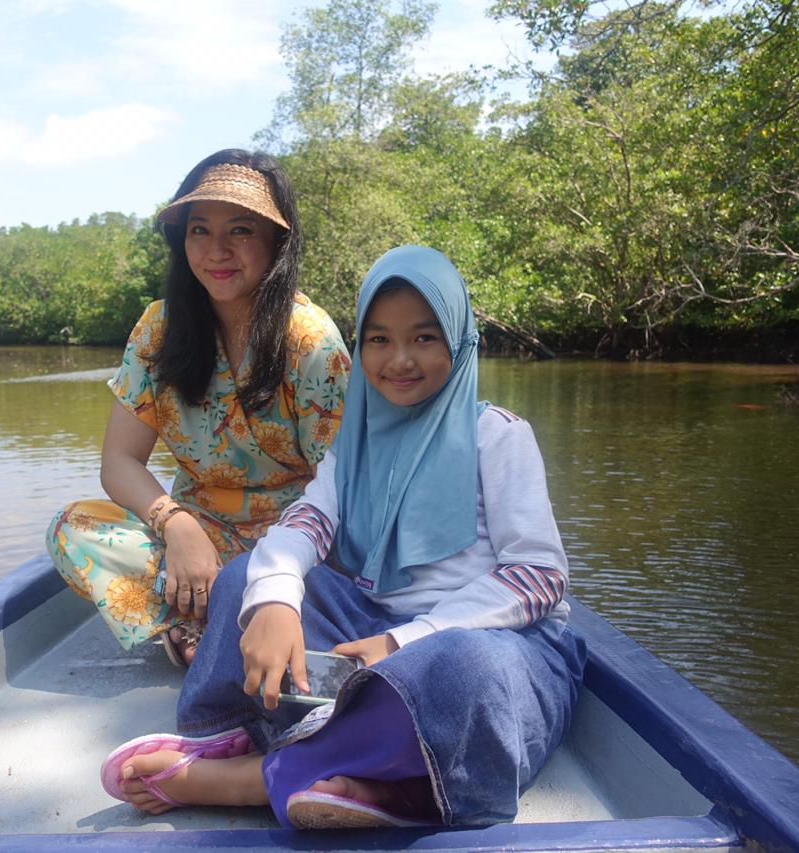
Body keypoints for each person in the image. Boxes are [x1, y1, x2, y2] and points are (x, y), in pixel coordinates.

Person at [99, 245, 586, 829]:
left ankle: (258, 779)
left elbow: (539, 578)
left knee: (460, 670)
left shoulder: (498, 436)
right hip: (374, 632)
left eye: (424, 338)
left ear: (458, 340)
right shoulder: (357, 444)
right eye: (378, 340)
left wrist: (407, 642)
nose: (399, 359)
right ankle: (243, 742)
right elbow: (306, 524)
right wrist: (277, 597)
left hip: (493, 645)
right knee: (245, 579)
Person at [47, 150, 350, 665]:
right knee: (70, 528)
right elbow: (119, 461)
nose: (217, 251)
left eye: (240, 231)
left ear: (278, 241)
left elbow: (339, 485)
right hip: (193, 534)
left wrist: (279, 565)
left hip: (293, 542)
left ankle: (216, 621)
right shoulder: (157, 330)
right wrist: (177, 526)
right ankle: (191, 621)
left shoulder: (310, 342)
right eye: (199, 230)